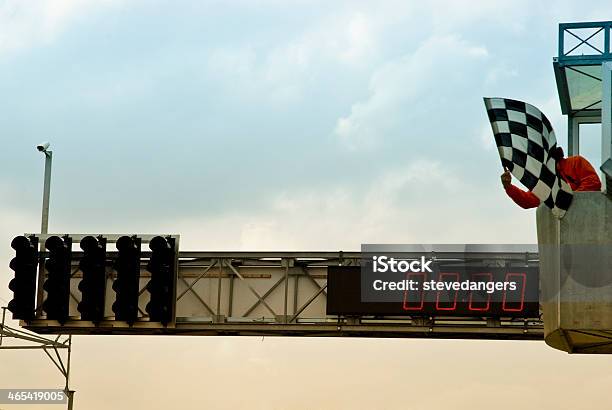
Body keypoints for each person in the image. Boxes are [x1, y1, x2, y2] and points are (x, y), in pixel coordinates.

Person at [501, 147, 602, 209]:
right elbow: (528, 201)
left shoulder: (576, 162)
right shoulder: (545, 180)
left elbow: (593, 183)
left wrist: (567, 200)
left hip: (588, 219)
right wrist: (508, 187)